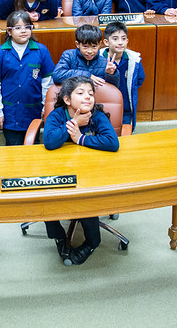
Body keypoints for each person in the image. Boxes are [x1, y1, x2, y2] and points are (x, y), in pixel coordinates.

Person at [43, 76, 119, 265]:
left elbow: (112, 143)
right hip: (60, 169)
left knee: (86, 199)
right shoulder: (58, 115)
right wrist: (74, 122)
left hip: (91, 171)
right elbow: (50, 142)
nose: (88, 97)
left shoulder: (97, 116)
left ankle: (93, 242)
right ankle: (59, 236)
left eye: (91, 94)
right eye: (81, 93)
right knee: (43, 197)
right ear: (67, 99)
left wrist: (81, 139)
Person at [0, 11, 55, 145]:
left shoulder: (41, 51)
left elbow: (47, 83)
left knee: (33, 146)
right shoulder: (0, 53)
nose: (23, 31)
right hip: (9, 114)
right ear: (9, 31)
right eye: (18, 28)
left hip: (33, 112)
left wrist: (45, 107)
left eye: (27, 27)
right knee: (13, 148)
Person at [103, 22, 145, 130]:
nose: (120, 42)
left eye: (123, 38)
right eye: (115, 39)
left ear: (127, 41)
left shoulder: (133, 60)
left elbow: (140, 79)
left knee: (125, 134)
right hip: (103, 108)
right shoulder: (99, 59)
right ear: (106, 42)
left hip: (125, 109)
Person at [53, 24, 120, 88]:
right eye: (85, 46)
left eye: (94, 46)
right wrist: (87, 75)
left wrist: (110, 75)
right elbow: (57, 76)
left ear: (99, 44)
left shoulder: (105, 62)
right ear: (77, 44)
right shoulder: (69, 55)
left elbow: (113, 89)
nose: (90, 51)